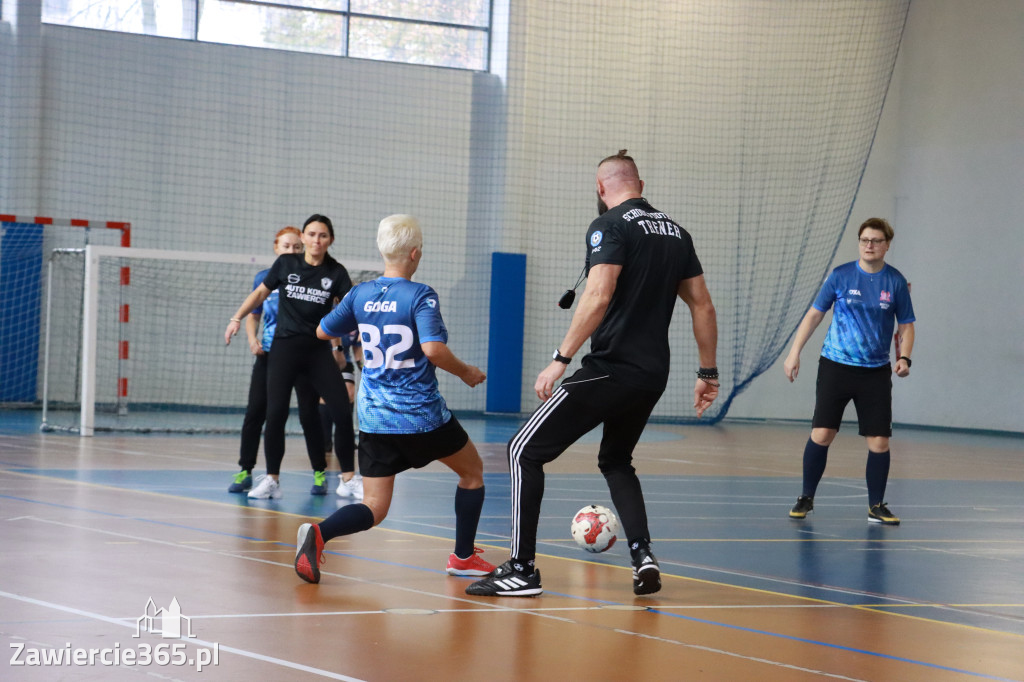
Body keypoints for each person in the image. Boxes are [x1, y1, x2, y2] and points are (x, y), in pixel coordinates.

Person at [467, 151, 719, 598]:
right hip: (652, 375)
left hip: (611, 369)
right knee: (616, 460)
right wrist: (707, 371)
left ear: (602, 188)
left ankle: (522, 568)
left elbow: (599, 295)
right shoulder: (677, 234)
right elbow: (702, 304)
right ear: (638, 183)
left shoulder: (610, 225)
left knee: (522, 450)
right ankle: (642, 555)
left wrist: (561, 357)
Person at [293, 214, 496, 584]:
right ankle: (463, 557)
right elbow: (433, 349)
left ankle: (319, 534)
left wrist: (362, 321)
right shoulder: (420, 295)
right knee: (472, 473)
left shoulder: (360, 293)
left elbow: (322, 330)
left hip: (373, 418)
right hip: (420, 416)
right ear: (415, 254)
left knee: (374, 506)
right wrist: (467, 372)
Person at [783, 217, 915, 525]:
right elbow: (814, 315)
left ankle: (876, 506)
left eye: (876, 241)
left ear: (886, 245)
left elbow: (906, 326)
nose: (869, 245)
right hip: (836, 367)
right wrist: (794, 353)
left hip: (875, 372)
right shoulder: (840, 276)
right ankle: (806, 497)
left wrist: (904, 358)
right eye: (864, 240)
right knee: (822, 433)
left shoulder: (895, 282)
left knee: (879, 442)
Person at [224, 214, 356, 500]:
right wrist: (237, 318)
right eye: (311, 234)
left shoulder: (336, 272)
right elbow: (260, 294)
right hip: (284, 349)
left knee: (341, 410)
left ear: (330, 239)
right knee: (275, 414)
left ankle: (347, 479)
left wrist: (340, 347)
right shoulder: (286, 264)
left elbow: (349, 308)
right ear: (304, 237)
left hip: (317, 351)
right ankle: (272, 480)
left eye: (322, 235)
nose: (316, 240)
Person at [320, 330, 364, 499]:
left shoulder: (356, 320)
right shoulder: (330, 310)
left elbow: (357, 351)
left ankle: (346, 437)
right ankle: (325, 441)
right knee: (324, 398)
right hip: (321, 360)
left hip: (343, 361)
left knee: (349, 393)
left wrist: (363, 368)